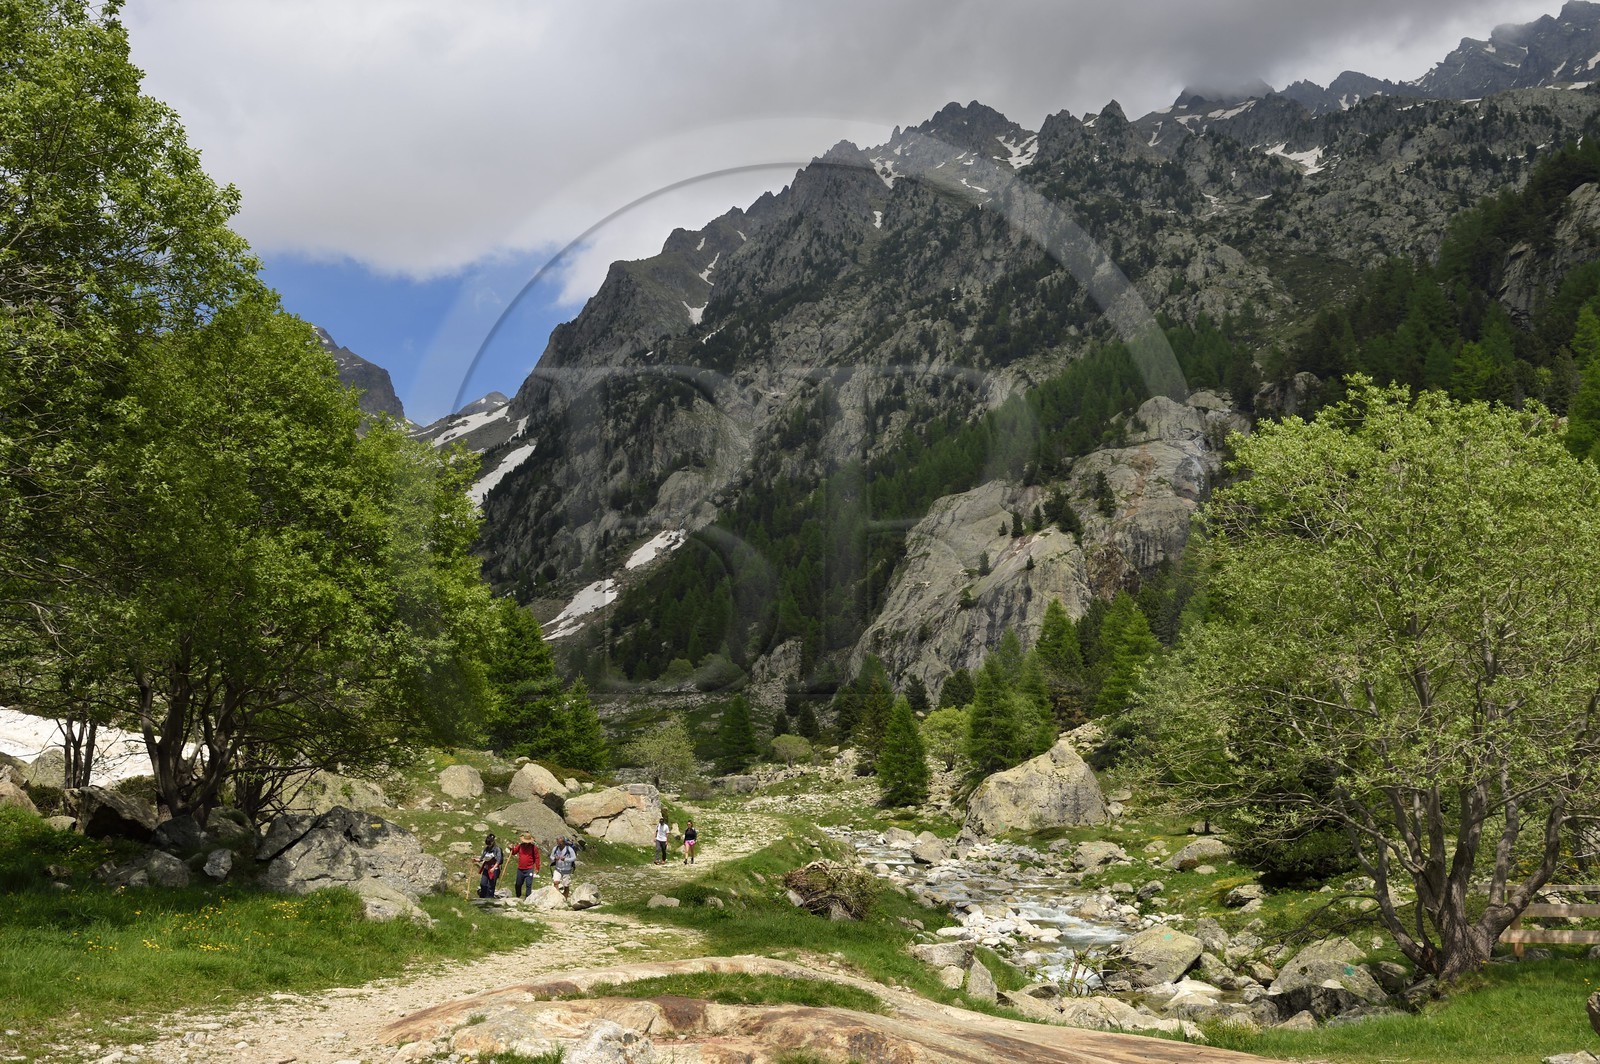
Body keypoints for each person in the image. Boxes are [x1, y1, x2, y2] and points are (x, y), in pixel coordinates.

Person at [509, 832, 541, 899]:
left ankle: (528, 898)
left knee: (528, 884)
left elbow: (537, 858)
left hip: (529, 868)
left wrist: (537, 868)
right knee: (518, 884)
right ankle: (518, 896)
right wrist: (511, 848)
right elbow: (514, 852)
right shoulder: (520, 846)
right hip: (520, 869)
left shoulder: (533, 848)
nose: (526, 843)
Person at [475, 832, 504, 899]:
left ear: (493, 842)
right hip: (486, 867)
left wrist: (494, 868)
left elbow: (499, 860)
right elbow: (482, 858)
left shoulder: (497, 849)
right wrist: (476, 860)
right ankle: (482, 896)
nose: (488, 845)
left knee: (490, 885)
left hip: (494, 868)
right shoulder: (486, 849)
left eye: (489, 843)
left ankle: (489, 898)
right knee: (483, 883)